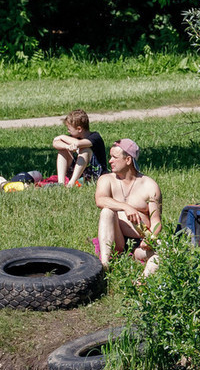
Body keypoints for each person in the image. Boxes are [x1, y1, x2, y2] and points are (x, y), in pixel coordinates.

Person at [95, 138, 161, 277]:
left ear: (128, 160)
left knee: (161, 254)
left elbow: (156, 220)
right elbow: (100, 200)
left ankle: (143, 282)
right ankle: (105, 265)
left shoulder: (149, 185)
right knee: (107, 211)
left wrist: (151, 238)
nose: (110, 161)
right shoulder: (107, 179)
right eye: (110, 157)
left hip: (140, 242)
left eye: (114, 157)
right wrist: (125, 207)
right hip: (116, 238)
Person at [52, 109, 105, 187]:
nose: (68, 131)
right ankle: (61, 183)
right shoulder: (74, 137)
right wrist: (67, 146)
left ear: (79, 129)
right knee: (62, 151)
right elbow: (55, 143)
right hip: (79, 174)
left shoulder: (95, 137)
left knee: (85, 150)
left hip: (94, 175)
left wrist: (62, 137)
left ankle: (71, 183)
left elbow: (78, 143)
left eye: (69, 129)